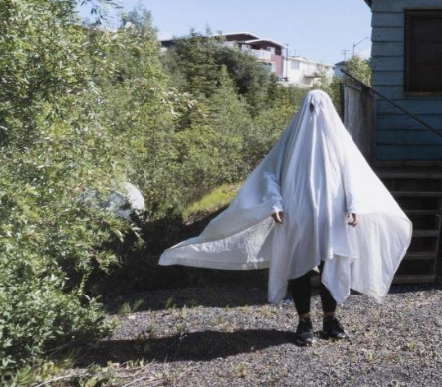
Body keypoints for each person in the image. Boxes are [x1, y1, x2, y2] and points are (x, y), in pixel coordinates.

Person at [159, 89, 412, 346]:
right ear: (304, 110)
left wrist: (354, 204)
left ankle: (330, 319)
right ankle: (304, 321)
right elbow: (269, 173)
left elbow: (354, 175)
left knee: (331, 264)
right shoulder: (290, 140)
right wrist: (274, 202)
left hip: (331, 217)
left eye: (320, 107)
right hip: (295, 216)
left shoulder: (339, 141)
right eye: (310, 108)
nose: (315, 113)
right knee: (297, 267)